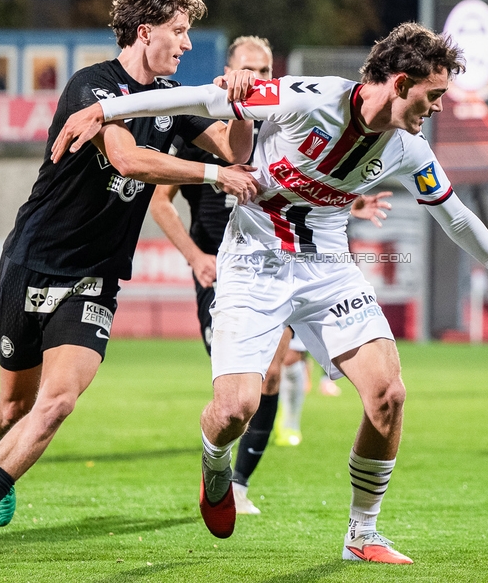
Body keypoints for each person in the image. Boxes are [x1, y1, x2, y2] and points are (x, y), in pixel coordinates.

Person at [52, 21, 488, 565]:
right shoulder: (313, 96)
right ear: (399, 82)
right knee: (234, 410)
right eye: (432, 94)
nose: (437, 106)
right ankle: (215, 464)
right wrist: (106, 111)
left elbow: (457, 218)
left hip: (328, 269)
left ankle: (362, 533)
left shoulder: (410, 151)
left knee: (388, 395)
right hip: (252, 264)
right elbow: (207, 96)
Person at [0, 0, 260, 566]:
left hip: (96, 278)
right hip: (33, 260)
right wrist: (213, 177)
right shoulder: (92, 86)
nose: (185, 44)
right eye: (179, 32)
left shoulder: (173, 98)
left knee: (57, 403)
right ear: (145, 29)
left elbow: (237, 151)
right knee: (13, 405)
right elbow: (128, 160)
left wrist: (240, 106)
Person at [149, 35, 390, 513]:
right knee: (237, 398)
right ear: (231, 71)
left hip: (288, 267)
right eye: (248, 70)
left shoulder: (290, 122)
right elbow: (160, 205)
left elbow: (312, 179)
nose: (258, 78)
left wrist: (352, 199)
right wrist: (196, 256)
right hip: (227, 270)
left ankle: (238, 484)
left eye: (264, 70)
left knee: (274, 375)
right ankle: (217, 459)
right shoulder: (207, 137)